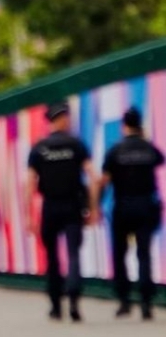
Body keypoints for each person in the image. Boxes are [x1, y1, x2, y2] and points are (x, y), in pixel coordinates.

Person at [24, 100, 98, 322]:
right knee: (74, 254)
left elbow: (29, 184)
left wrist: (29, 215)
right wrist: (93, 208)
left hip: (50, 207)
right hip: (73, 206)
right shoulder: (76, 145)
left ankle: (56, 306)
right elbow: (93, 178)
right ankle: (74, 300)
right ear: (64, 118)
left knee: (53, 258)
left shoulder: (39, 148)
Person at [94, 106, 164, 320]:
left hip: (122, 206)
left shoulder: (115, 150)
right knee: (144, 254)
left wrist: (96, 204)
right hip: (146, 205)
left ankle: (124, 301)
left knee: (120, 254)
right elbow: (159, 160)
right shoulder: (149, 148)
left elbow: (104, 181)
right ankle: (146, 303)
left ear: (124, 125)